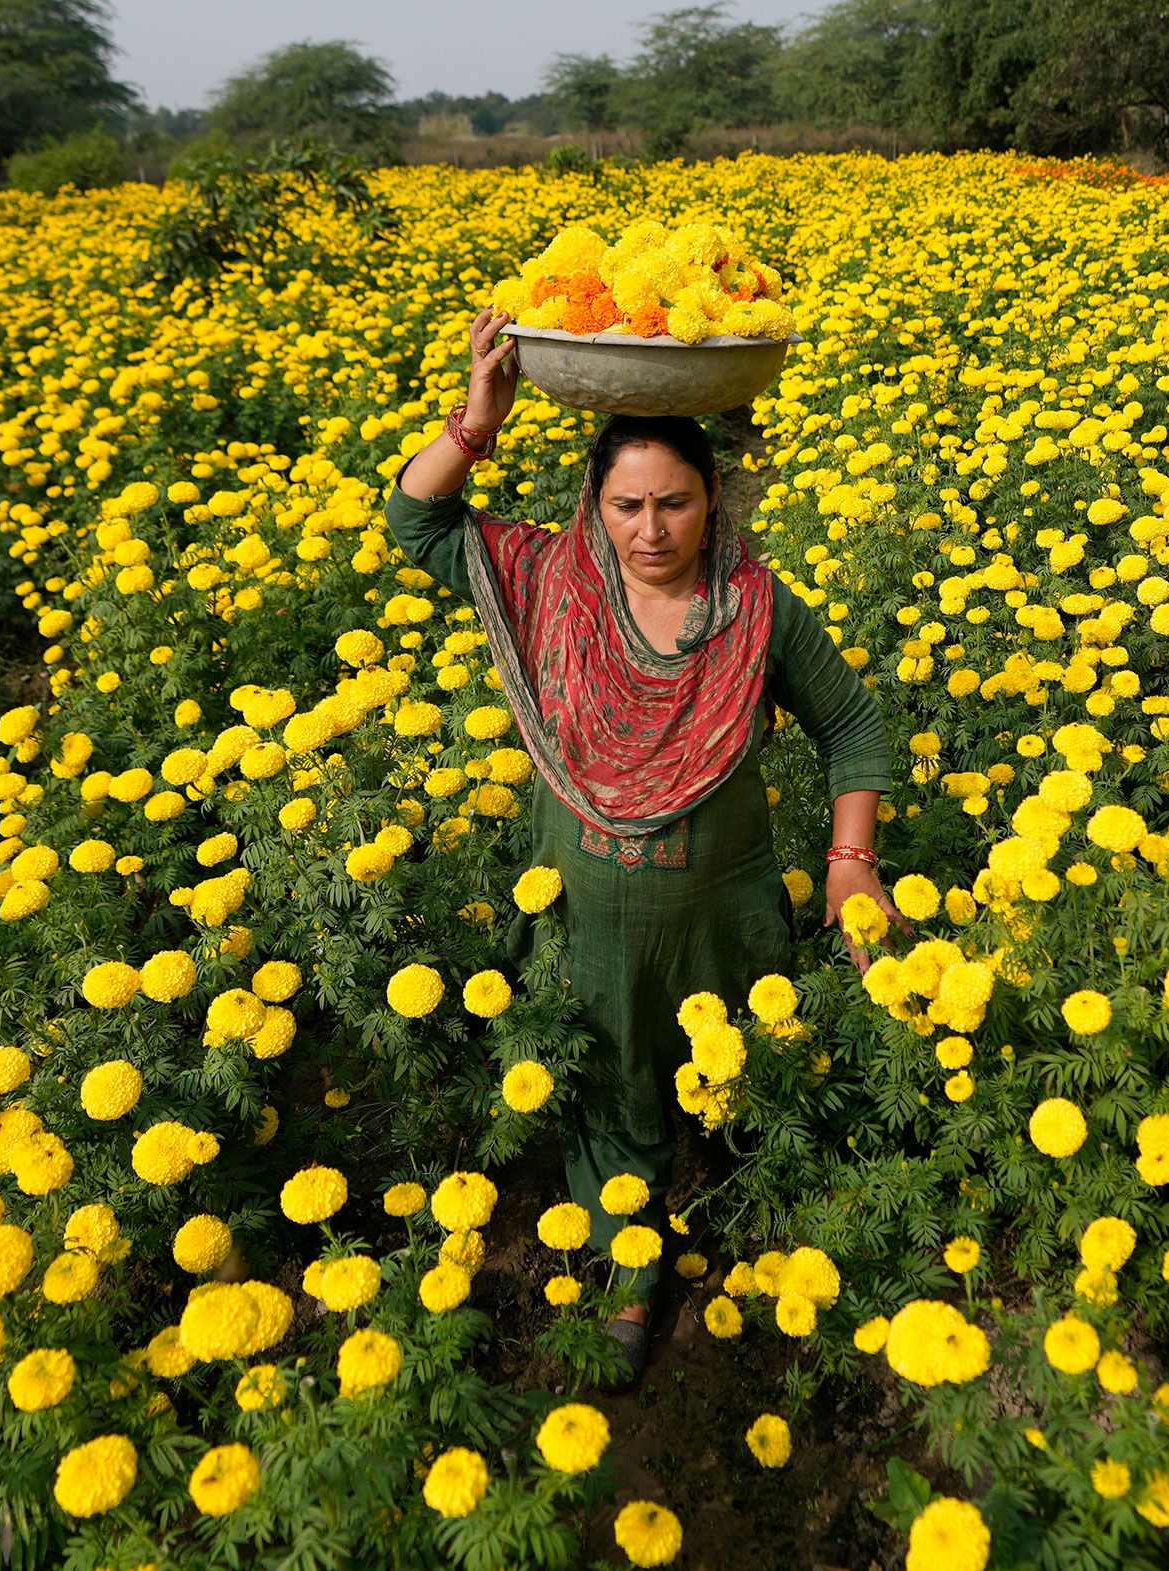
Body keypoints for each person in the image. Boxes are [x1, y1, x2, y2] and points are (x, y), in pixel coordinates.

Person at [382, 305, 903, 1388]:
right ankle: (632, 1264)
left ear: (714, 502)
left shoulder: (755, 609)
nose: (651, 527)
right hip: (594, 920)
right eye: (627, 504)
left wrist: (852, 863)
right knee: (613, 1078)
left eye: (675, 501)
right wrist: (476, 420)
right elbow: (419, 524)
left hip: (728, 914)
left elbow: (852, 726)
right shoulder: (546, 580)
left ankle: (773, 1209)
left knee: (749, 1080)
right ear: (594, 502)